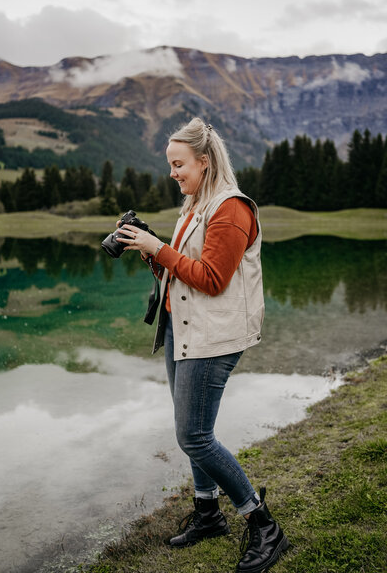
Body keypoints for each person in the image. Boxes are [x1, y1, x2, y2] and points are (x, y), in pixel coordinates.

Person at [116, 117, 289, 572]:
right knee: (192, 431)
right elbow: (184, 269)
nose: (173, 173)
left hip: (214, 338)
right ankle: (208, 514)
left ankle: (263, 524)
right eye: (171, 165)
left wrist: (160, 248)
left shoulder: (231, 208)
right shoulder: (196, 203)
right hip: (183, 330)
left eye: (179, 164)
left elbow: (213, 280)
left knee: (193, 435)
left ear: (205, 161)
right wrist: (152, 254)